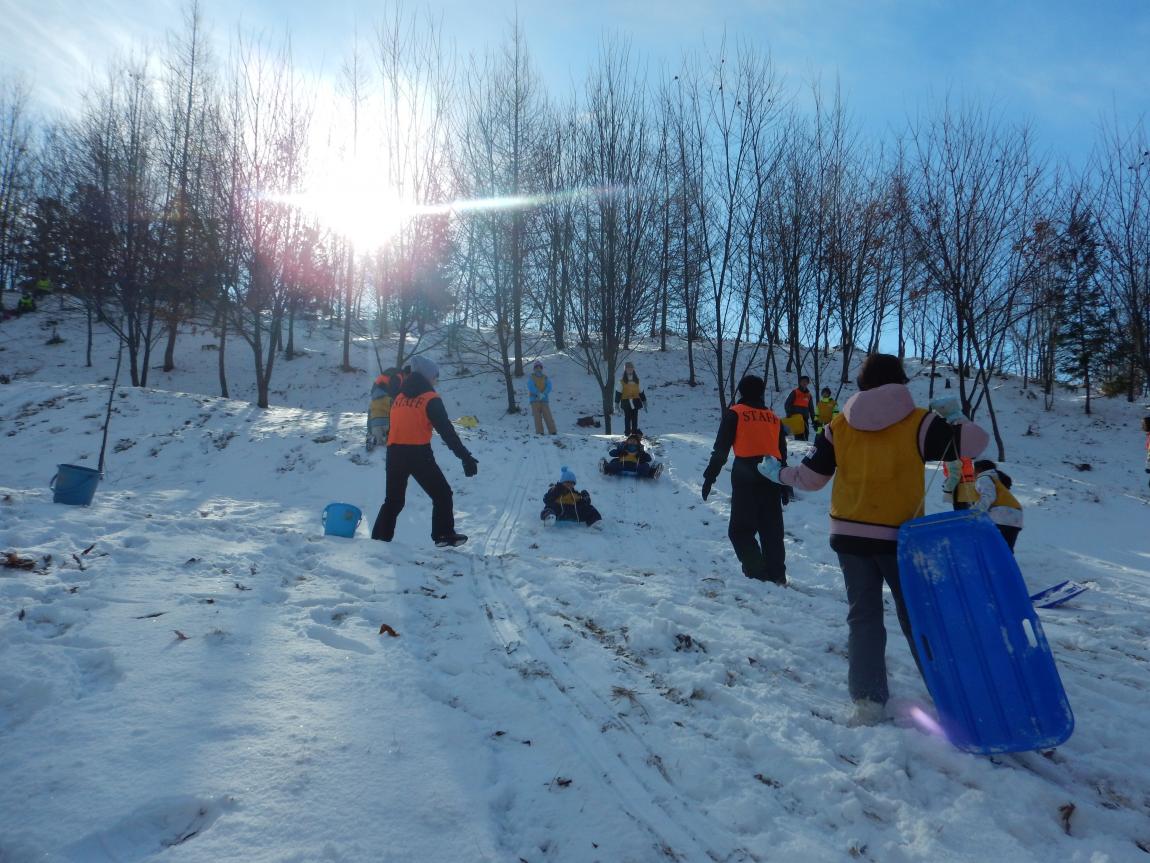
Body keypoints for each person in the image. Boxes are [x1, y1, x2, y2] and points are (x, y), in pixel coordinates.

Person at [758, 353, 989, 725]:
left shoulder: (837, 426)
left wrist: (779, 474)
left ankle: (868, 702)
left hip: (849, 535)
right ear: (900, 382)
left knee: (863, 617)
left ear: (862, 383)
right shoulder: (920, 422)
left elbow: (812, 478)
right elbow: (976, 444)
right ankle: (951, 695)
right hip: (902, 539)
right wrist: (955, 418)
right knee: (918, 617)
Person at [371, 355, 478, 547]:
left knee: (393, 501)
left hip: (394, 453)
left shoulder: (399, 398)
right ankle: (443, 534)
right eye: (435, 376)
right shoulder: (430, 398)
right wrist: (465, 457)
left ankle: (379, 540)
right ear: (428, 377)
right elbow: (447, 432)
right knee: (442, 494)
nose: (436, 380)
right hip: (418, 454)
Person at [701, 374, 789, 585]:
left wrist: (709, 477)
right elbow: (782, 453)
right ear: (761, 392)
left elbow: (721, 449)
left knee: (740, 530)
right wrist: (785, 484)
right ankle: (777, 574)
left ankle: (757, 571)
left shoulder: (736, 413)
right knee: (772, 529)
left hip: (745, 473)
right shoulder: (773, 417)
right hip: (773, 473)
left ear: (740, 391)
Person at [971, 460, 1023, 551]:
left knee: (993, 549)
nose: (972, 474)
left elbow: (988, 496)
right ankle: (1007, 565)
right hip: (1016, 515)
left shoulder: (983, 478)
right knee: (1006, 551)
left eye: (973, 470)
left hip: (1001, 515)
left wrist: (974, 512)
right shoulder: (996, 478)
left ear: (979, 470)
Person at [366, 367, 403, 451]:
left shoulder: (395, 374)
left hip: (376, 391)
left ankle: (371, 435)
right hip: (382, 391)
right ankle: (389, 435)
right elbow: (394, 393)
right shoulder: (398, 377)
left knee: (372, 412)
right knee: (391, 410)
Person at [615, 361, 647, 436]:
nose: (629, 369)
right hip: (626, 401)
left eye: (631, 368)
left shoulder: (637, 380)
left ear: (633, 369)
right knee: (627, 417)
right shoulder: (622, 381)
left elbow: (641, 392)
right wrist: (616, 404)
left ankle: (634, 432)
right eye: (628, 368)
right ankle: (627, 433)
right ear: (625, 369)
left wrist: (644, 402)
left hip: (635, 401)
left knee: (635, 418)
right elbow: (618, 393)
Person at [527, 361, 557, 435]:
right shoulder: (531, 377)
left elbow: (549, 387)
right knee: (537, 417)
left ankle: (552, 431)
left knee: (548, 415)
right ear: (534, 369)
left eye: (539, 367)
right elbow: (531, 387)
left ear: (541, 368)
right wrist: (537, 393)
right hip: (534, 400)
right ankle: (540, 432)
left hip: (544, 400)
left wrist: (543, 394)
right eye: (536, 367)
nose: (538, 369)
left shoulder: (545, 377)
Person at [784, 375, 816, 441]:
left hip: (805, 419)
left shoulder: (809, 395)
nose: (804, 383)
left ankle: (804, 450)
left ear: (808, 383)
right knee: (799, 436)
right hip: (796, 418)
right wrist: (789, 413)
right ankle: (799, 450)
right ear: (800, 382)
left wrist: (814, 420)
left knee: (806, 435)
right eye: (803, 381)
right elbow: (787, 404)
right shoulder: (795, 392)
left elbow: (811, 409)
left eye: (806, 381)